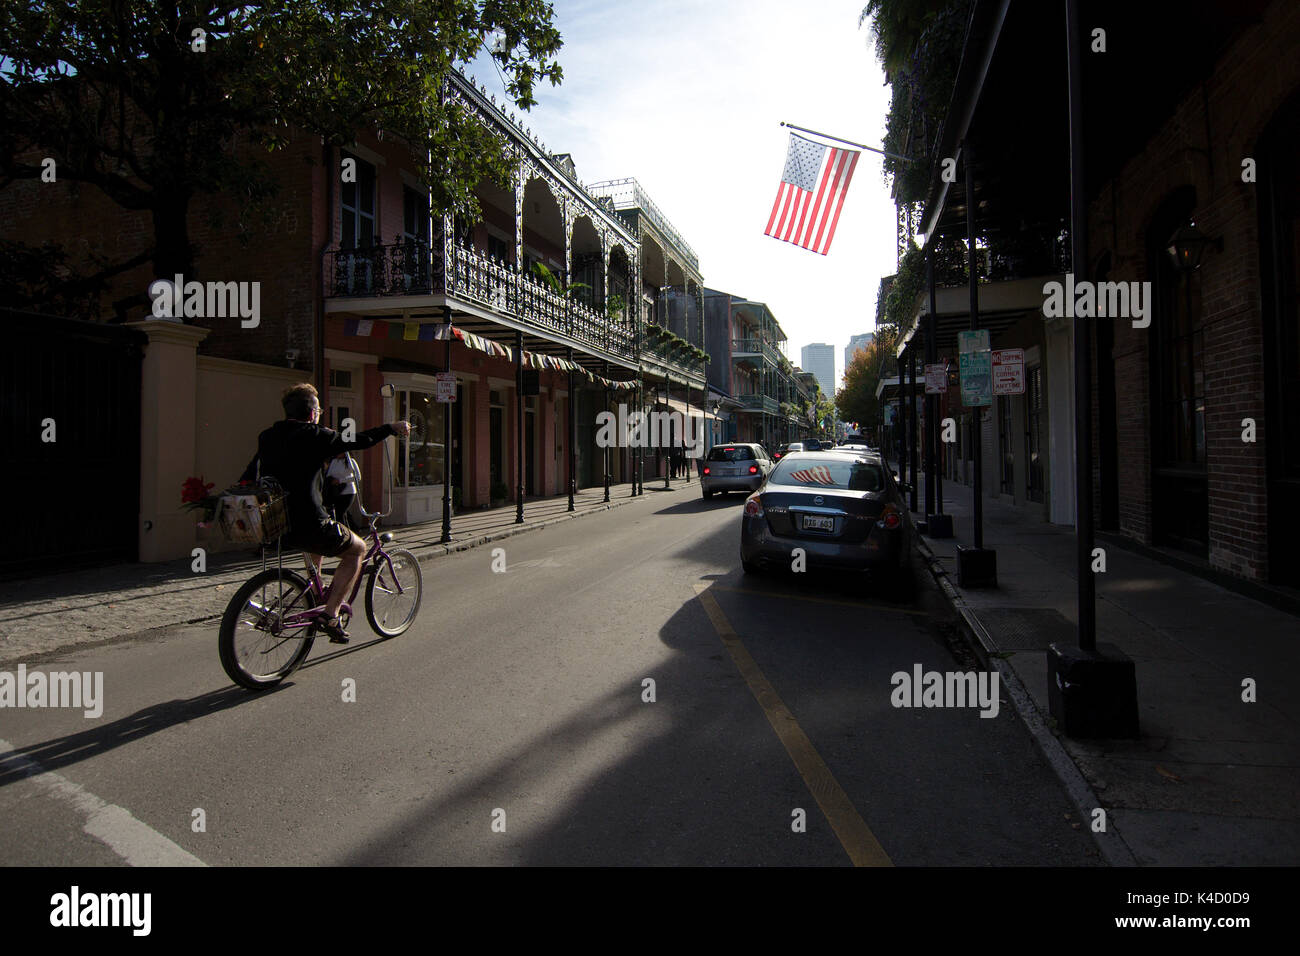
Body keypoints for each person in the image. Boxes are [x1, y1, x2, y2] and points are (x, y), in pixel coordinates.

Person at [241, 384, 409, 643]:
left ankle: (314, 591)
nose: (319, 414)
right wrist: (390, 428)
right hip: (310, 520)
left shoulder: (268, 436)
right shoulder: (315, 435)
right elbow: (358, 440)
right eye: (318, 409)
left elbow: (251, 473)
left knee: (316, 544)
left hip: (278, 526)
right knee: (358, 550)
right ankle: (330, 615)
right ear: (311, 413)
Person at [324, 453, 358, 530]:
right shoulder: (334, 461)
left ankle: (345, 534)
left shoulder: (350, 461)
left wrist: (341, 480)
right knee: (339, 514)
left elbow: (357, 477)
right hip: (336, 491)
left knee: (340, 513)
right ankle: (347, 531)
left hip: (348, 491)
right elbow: (329, 474)